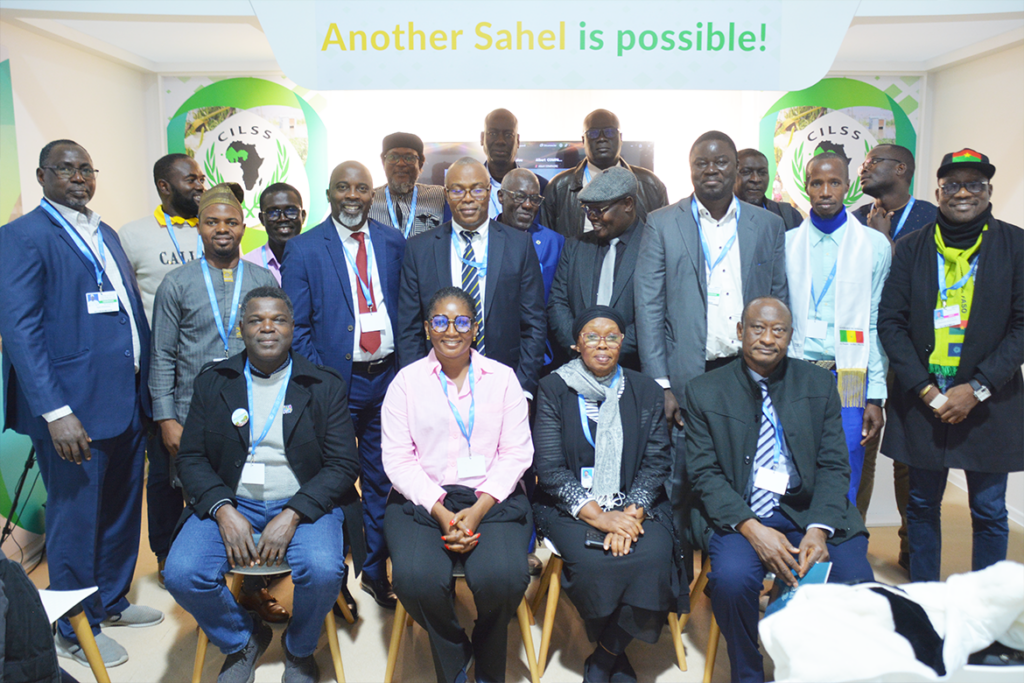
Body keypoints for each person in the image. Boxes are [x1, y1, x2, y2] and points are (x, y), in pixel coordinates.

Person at [0, 140, 157, 667]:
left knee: (121, 508)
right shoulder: (22, 236)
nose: (78, 177)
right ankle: (73, 626)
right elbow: (20, 331)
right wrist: (56, 412)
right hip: (73, 411)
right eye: (65, 169)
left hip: (125, 398)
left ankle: (109, 601)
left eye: (86, 169)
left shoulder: (104, 231)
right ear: (41, 176)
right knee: (75, 519)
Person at [164, 287, 361, 683]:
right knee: (182, 573)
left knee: (324, 570)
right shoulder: (213, 383)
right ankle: (242, 637)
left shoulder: (323, 384)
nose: (267, 327)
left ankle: (299, 648)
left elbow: (343, 464)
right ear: (241, 328)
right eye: (256, 320)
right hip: (233, 501)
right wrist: (222, 510)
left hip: (304, 503)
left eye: (278, 320)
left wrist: (294, 513)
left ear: (292, 327)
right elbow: (191, 458)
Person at [683, 297, 873, 683]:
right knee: (733, 581)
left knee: (856, 581)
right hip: (740, 513)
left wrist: (819, 529)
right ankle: (748, 672)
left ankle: (820, 670)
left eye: (779, 330)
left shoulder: (819, 383)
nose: (768, 338)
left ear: (790, 336)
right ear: (741, 331)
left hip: (808, 510)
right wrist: (753, 529)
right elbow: (703, 474)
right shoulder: (705, 390)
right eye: (758, 328)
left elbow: (835, 464)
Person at [634, 130, 787, 551]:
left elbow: (779, 298)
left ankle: (734, 562)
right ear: (690, 170)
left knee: (743, 470)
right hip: (688, 373)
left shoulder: (767, 225)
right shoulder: (662, 223)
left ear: (736, 168)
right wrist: (662, 384)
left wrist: (776, 372)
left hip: (746, 371)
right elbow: (648, 307)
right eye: (702, 163)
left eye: (721, 162)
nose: (711, 170)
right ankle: (677, 569)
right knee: (680, 477)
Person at [878, 149, 1023, 583]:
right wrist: (925, 389)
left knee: (989, 510)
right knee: (922, 505)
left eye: (974, 184)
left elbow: (1022, 326)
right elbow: (891, 322)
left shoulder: (1016, 246)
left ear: (989, 191)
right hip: (924, 400)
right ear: (938, 191)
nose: (963, 193)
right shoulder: (911, 247)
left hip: (990, 401)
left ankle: (986, 607)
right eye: (953, 185)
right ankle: (926, 599)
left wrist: (977, 388)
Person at [382, 287, 534, 683]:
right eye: (441, 321)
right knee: (414, 580)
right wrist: (441, 511)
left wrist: (479, 509)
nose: (452, 330)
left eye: (462, 321)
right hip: (422, 500)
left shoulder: (503, 379)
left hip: (493, 498)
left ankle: (486, 653)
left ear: (475, 328)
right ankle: (457, 657)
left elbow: (516, 452)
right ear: (427, 328)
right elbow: (397, 458)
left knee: (503, 577)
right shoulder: (406, 383)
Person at [150, 183, 280, 617]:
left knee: (250, 493)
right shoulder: (176, 283)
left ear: (244, 227)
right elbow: (162, 355)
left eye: (231, 221)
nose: (222, 229)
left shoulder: (262, 280)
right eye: (212, 222)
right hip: (193, 414)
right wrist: (166, 418)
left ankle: (253, 586)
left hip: (252, 411)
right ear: (199, 228)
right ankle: (213, 592)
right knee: (205, 501)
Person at [533, 306, 681, 683]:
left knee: (654, 558)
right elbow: (549, 468)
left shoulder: (645, 390)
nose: (602, 344)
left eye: (611, 336)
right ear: (576, 343)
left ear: (622, 343)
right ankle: (614, 648)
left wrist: (629, 516)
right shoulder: (553, 388)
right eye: (592, 336)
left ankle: (605, 655)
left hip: (636, 504)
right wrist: (600, 517)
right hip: (570, 506)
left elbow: (657, 461)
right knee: (595, 563)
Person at [283, 160, 406, 610]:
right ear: (329, 193)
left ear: (372, 194)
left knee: (382, 480)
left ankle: (374, 572)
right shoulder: (304, 249)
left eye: (361, 188)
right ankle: (331, 580)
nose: (352, 196)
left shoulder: (393, 242)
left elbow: (405, 309)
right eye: (342, 187)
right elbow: (296, 328)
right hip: (333, 386)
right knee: (331, 480)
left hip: (387, 380)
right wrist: (325, 383)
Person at [119, 153, 206, 586]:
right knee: (165, 469)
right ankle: (166, 552)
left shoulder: (213, 226)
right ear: (164, 186)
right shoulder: (132, 236)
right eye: (191, 179)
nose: (200, 184)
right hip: (163, 369)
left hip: (211, 367)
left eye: (202, 177)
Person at [785, 153, 890, 503]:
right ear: (806, 187)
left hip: (851, 375)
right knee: (795, 463)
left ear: (848, 186)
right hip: (799, 370)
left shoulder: (874, 246)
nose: (826, 191)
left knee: (847, 462)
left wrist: (875, 395)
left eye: (834, 182)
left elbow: (874, 323)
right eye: (817, 183)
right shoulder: (787, 244)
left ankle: (839, 534)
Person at [397, 157, 547, 399]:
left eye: (477, 190)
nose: (468, 198)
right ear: (446, 194)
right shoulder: (419, 249)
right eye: (458, 190)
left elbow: (534, 324)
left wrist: (523, 388)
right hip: (437, 385)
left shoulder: (520, 245)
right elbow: (409, 329)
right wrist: (419, 389)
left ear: (489, 192)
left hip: (504, 384)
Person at [853, 143, 938, 568]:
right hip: (859, 355)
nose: (863, 169)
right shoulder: (853, 221)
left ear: (901, 168)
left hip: (912, 356)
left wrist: (885, 240)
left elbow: (928, 283)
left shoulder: (933, 218)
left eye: (873, 162)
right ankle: (852, 544)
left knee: (910, 455)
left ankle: (911, 547)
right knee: (858, 446)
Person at [549, 167, 644, 371]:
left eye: (599, 210)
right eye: (587, 209)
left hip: (632, 369)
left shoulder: (653, 247)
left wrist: (608, 349)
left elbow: (655, 314)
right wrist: (582, 347)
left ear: (628, 204)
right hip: (577, 366)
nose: (591, 217)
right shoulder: (575, 247)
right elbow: (558, 302)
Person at [540, 109, 668, 239]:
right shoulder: (558, 187)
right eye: (593, 133)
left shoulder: (650, 184)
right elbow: (547, 241)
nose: (601, 138)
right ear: (583, 140)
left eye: (610, 132)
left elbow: (665, 237)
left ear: (620, 138)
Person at [497, 168, 563, 304]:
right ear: (501, 196)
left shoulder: (554, 243)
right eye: (519, 196)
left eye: (534, 199)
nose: (527, 205)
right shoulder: (483, 237)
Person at [368, 132, 449, 238]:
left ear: (420, 164)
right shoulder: (368, 200)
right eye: (393, 157)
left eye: (409, 158)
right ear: (383, 162)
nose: (401, 163)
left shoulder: (440, 196)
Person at [482, 108, 547, 220]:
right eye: (492, 133)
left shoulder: (543, 188)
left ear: (517, 141)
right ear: (482, 138)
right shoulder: (464, 189)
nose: (500, 141)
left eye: (508, 135)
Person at [242, 182, 306, 285]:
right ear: (262, 219)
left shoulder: (319, 261)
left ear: (302, 216)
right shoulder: (247, 266)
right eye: (273, 213)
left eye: (291, 211)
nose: (283, 218)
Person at [733, 149, 802, 230]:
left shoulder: (789, 216)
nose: (756, 179)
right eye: (746, 172)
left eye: (762, 173)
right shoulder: (721, 217)